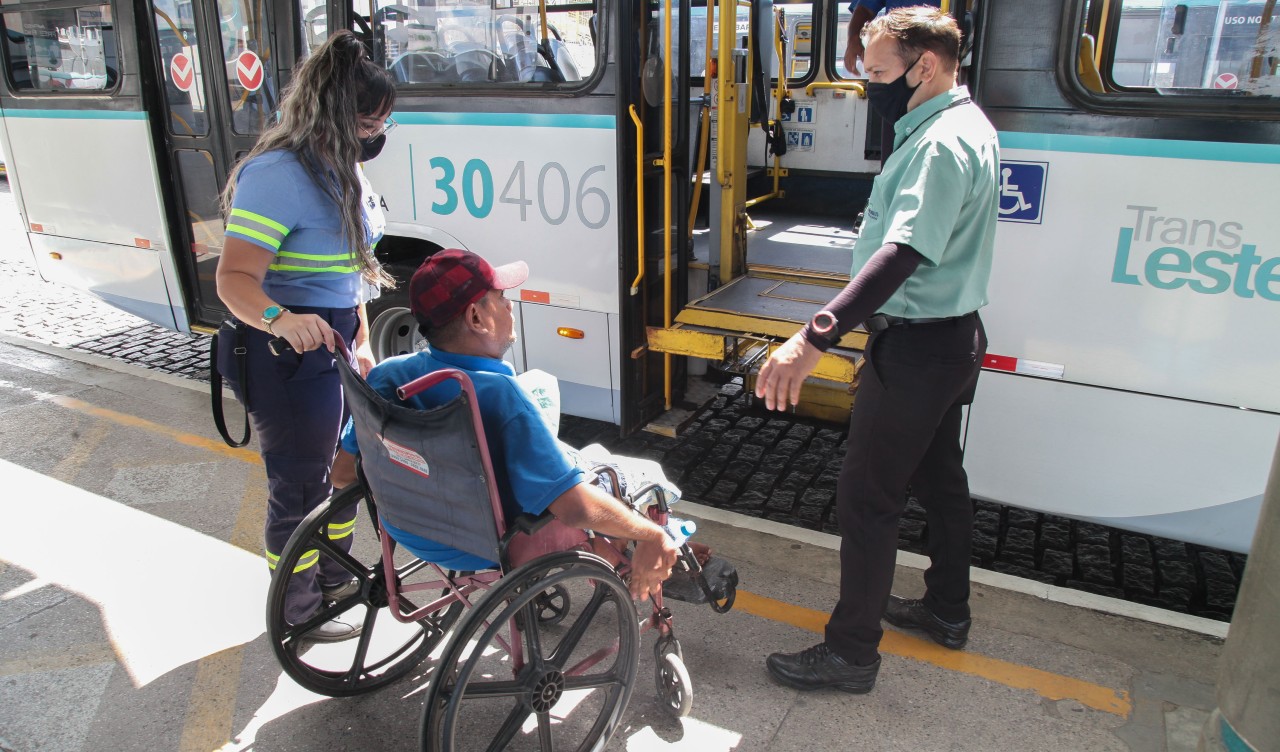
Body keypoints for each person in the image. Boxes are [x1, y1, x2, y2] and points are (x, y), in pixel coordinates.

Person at [757, 7, 997, 693]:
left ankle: (852, 653)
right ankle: (948, 609)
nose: (870, 86)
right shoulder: (964, 124)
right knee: (940, 480)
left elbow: (904, 253)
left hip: (918, 349)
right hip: (953, 341)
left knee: (868, 498)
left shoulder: (939, 143)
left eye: (882, 73)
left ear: (927, 66)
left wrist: (813, 335)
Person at [338, 249, 681, 601]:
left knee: (543, 389)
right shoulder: (501, 398)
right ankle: (639, 554)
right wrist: (652, 536)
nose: (510, 306)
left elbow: (342, 474)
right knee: (645, 479)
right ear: (476, 317)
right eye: (501, 297)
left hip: (410, 528)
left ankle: (614, 549)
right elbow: (575, 508)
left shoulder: (386, 375)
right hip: (491, 544)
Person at [215, 30, 397, 641]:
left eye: (381, 126)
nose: (376, 137)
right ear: (332, 115)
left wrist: (365, 338)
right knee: (299, 484)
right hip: (286, 354)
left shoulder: (343, 170)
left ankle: (333, 579)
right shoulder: (277, 174)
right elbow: (233, 278)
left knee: (341, 470)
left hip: (339, 345)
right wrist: (282, 320)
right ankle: (295, 609)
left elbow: (354, 274)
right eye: (368, 124)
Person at [843, 1, 943, 165]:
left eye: (877, 72)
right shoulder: (892, 92)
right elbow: (864, 9)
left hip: (932, 62)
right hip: (899, 66)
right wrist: (854, 39)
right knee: (894, 152)